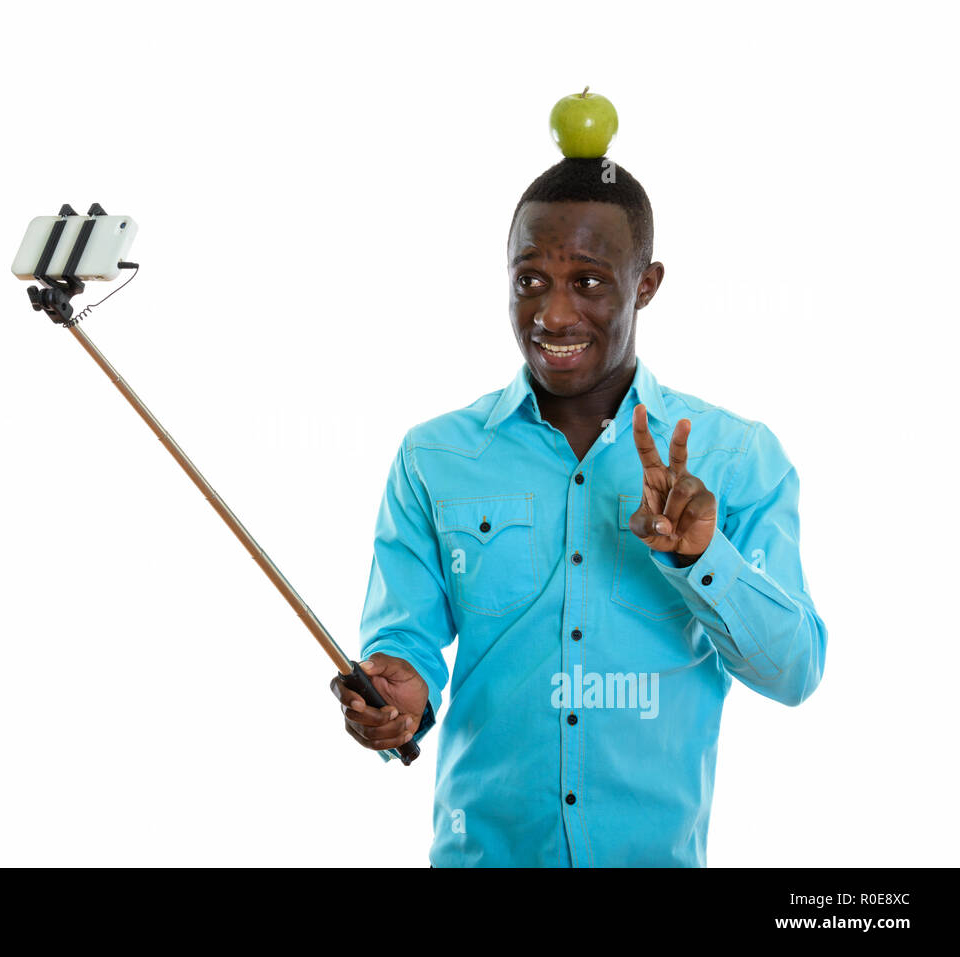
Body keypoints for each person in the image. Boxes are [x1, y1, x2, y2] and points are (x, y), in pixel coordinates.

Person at [329, 156, 828, 867]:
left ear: (646, 285)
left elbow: (796, 668)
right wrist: (397, 696)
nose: (553, 314)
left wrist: (701, 558)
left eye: (588, 282)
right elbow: (402, 645)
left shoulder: (737, 456)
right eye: (530, 281)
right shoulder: (432, 457)